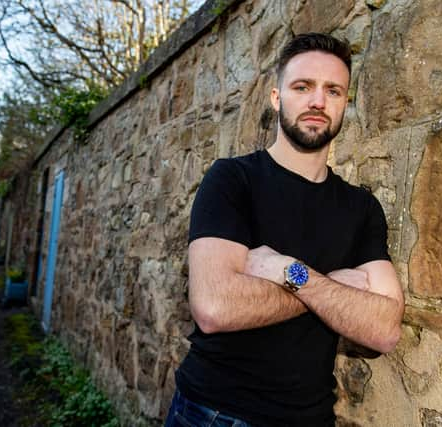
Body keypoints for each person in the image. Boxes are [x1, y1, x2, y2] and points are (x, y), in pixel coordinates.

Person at [164, 33, 405, 427]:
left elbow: (384, 330)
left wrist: (288, 271)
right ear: (277, 98)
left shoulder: (361, 208)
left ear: (346, 104)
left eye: (334, 91)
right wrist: (334, 288)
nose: (317, 101)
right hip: (214, 413)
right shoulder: (232, 180)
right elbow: (213, 307)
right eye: (302, 87)